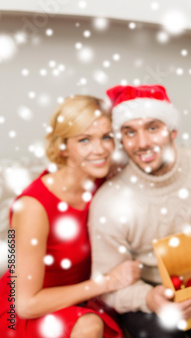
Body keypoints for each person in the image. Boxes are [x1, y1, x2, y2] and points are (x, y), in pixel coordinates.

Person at [88, 84, 191, 337]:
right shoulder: (109, 202)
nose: (143, 143)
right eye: (130, 132)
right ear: (121, 140)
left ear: (172, 130)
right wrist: (148, 298)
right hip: (148, 294)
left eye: (152, 128)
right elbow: (106, 283)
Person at [0, 95, 142, 338]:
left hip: (81, 301)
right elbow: (25, 304)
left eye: (106, 137)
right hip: (26, 311)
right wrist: (107, 283)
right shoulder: (33, 207)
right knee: (89, 325)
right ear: (63, 146)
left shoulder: (104, 181)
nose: (100, 150)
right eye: (84, 140)